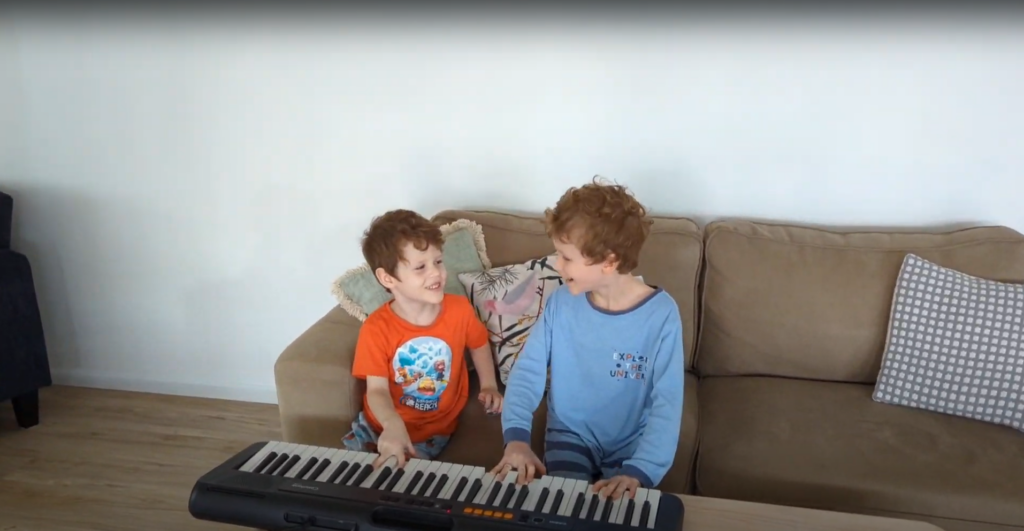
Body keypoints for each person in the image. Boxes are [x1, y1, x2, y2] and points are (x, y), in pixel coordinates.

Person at [492, 178, 685, 501]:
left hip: (632, 445)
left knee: (616, 515)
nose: (556, 264)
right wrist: (516, 440)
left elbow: (668, 402)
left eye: (566, 257)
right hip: (570, 434)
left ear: (608, 262)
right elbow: (527, 373)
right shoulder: (560, 303)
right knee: (565, 510)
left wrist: (641, 470)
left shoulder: (662, 315)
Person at [344, 209, 503, 469]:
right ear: (387, 278)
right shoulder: (376, 328)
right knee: (347, 481)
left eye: (438, 262)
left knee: (404, 488)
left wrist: (488, 385)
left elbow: (478, 343)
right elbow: (377, 390)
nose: (436, 273)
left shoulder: (459, 309)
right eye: (420, 267)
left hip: (431, 432)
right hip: (378, 424)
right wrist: (392, 424)